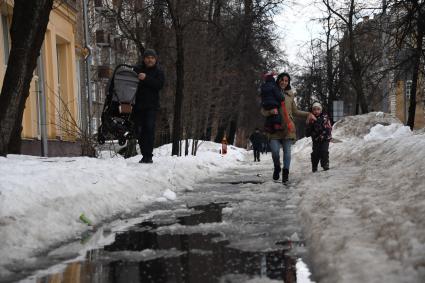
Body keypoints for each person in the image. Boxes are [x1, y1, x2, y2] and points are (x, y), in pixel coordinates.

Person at [261, 72, 316, 184]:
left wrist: (308, 114)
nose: (284, 82)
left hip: (287, 126)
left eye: (286, 81)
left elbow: (295, 111)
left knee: (287, 152)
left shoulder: (290, 95)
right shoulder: (271, 91)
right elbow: (262, 110)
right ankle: (277, 167)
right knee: (275, 152)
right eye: (282, 80)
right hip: (274, 127)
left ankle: (285, 173)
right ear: (278, 80)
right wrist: (270, 112)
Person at [133, 49, 165, 163]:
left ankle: (148, 156)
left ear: (155, 59)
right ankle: (144, 154)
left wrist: (145, 78)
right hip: (137, 106)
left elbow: (159, 85)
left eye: (152, 57)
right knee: (139, 131)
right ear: (144, 59)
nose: (150, 60)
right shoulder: (137, 69)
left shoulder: (159, 72)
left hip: (151, 106)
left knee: (149, 129)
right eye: (148, 57)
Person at [306, 102, 332, 172]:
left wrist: (316, 121)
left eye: (318, 109)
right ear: (312, 110)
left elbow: (327, 128)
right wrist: (309, 124)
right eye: (314, 109)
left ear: (321, 110)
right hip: (316, 139)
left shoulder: (325, 117)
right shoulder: (310, 119)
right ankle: (314, 166)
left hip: (325, 138)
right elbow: (307, 133)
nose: (316, 111)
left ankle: (325, 164)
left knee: (324, 151)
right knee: (315, 153)